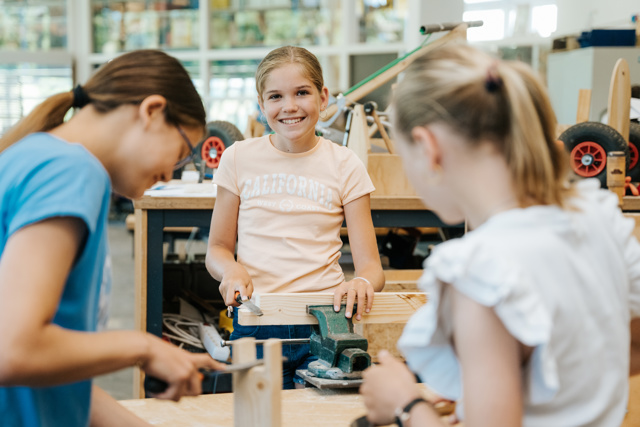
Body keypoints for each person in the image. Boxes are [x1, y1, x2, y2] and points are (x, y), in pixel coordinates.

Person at [359, 43, 640, 426]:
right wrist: (492, 394)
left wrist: (406, 405)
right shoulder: (599, 216)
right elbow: (629, 347)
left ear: (428, 148)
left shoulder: (481, 267)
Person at [0, 49, 225, 427]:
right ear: (152, 111)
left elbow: (51, 384)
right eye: (183, 153)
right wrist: (143, 347)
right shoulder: (71, 171)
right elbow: (12, 349)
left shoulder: (32, 157)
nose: (171, 174)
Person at [205, 46, 385, 389]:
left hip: (326, 322)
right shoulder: (237, 158)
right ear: (261, 104)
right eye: (275, 96)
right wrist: (230, 270)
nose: (289, 106)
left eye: (302, 92)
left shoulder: (345, 164)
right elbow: (217, 248)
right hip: (257, 318)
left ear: (323, 97)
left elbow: (371, 269)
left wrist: (361, 284)